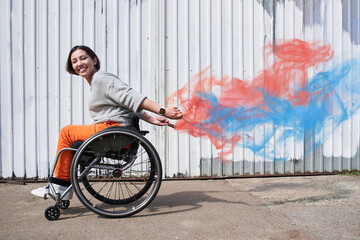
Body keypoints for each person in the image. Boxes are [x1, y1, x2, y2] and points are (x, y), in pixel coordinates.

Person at [31, 45, 182, 199]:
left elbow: (132, 97)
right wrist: (152, 119)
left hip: (114, 131)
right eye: (74, 61)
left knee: (67, 132)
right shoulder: (96, 81)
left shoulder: (101, 78)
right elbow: (127, 105)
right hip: (113, 130)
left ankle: (60, 187)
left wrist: (163, 110)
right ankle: (62, 187)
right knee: (72, 137)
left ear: (94, 60)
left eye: (83, 58)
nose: (79, 63)